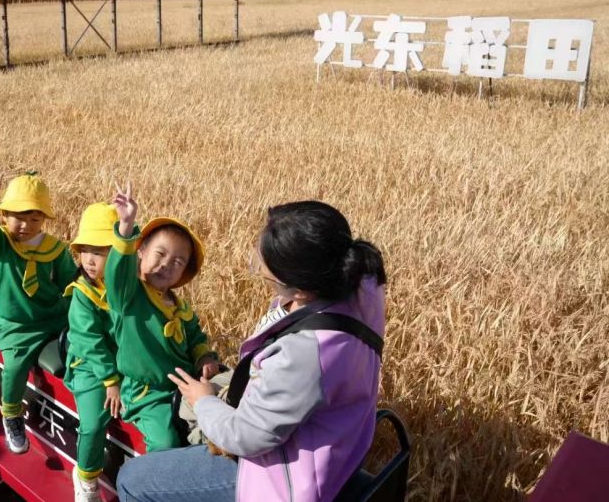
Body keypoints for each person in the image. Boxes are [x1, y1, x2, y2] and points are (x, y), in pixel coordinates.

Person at [116, 201, 388, 502]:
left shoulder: (306, 353)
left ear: (299, 288)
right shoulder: (356, 286)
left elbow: (247, 437)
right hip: (336, 444)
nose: (258, 268)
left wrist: (205, 401)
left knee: (132, 478)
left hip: (280, 481)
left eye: (265, 266)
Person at [104, 183, 219, 453]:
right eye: (160, 254)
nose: (167, 264)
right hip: (148, 393)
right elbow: (116, 274)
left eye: (178, 262)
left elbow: (195, 338)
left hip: (186, 386)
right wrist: (126, 226)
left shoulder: (181, 308)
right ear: (140, 251)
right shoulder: (130, 297)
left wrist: (204, 357)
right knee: (165, 443)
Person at [0, 160, 77, 454]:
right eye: (17, 217)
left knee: (77, 353)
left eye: (33, 219)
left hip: (53, 318)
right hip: (17, 325)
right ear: (4, 216)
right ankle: (12, 413)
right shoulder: (1, 245)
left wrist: (72, 309)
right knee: (15, 368)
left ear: (43, 219)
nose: (24, 226)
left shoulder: (55, 248)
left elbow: (70, 283)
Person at [63, 202, 124, 501]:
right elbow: (89, 341)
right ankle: (86, 478)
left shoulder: (128, 289)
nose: (89, 259)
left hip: (123, 364)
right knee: (92, 422)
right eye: (85, 250)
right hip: (90, 365)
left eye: (100, 252)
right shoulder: (83, 294)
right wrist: (111, 380)